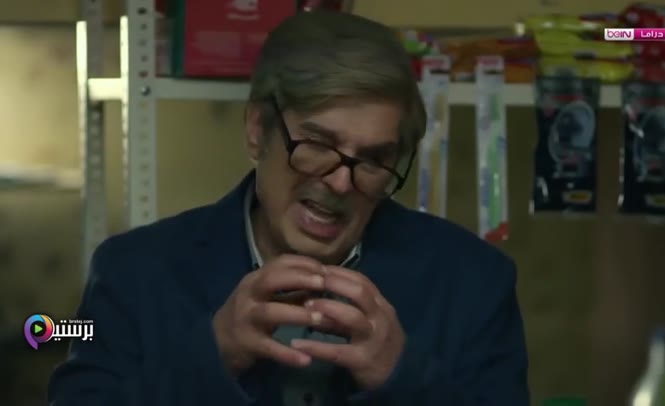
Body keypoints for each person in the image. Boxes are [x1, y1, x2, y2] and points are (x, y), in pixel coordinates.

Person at [48, 10, 529, 406]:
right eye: (317, 144)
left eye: (373, 159)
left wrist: (404, 380)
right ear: (257, 129)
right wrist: (212, 357)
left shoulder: (476, 283)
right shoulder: (131, 273)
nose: (340, 182)